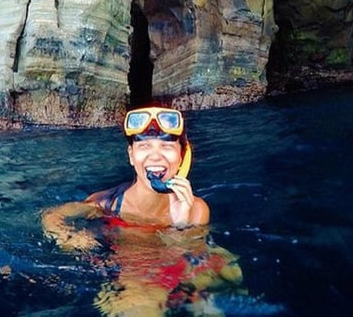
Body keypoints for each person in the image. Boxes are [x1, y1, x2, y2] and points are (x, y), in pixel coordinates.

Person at [41, 106, 241, 316]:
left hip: (176, 264)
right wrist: (72, 239)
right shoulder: (106, 204)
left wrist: (181, 226)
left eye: (166, 146)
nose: (155, 156)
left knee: (229, 274)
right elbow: (51, 216)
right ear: (131, 155)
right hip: (133, 272)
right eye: (144, 146)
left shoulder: (195, 209)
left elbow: (188, 259)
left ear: (182, 156)